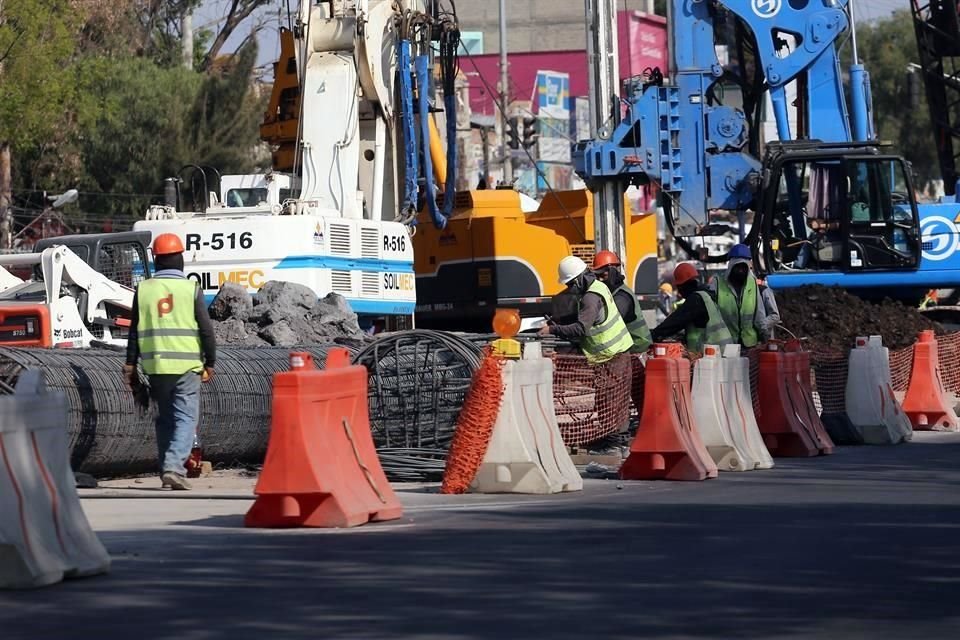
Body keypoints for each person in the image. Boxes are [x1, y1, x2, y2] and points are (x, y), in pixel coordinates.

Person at [124, 233, 217, 490]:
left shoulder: (143, 290)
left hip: (155, 368)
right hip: (187, 367)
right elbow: (206, 330)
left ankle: (167, 469)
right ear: (180, 259)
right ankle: (174, 468)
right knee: (186, 418)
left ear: (157, 260)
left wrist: (131, 365)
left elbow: (134, 331)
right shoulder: (191, 289)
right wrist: (210, 362)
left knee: (164, 419)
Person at [538, 255, 633, 364]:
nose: (569, 289)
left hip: (611, 358)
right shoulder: (599, 286)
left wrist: (551, 329)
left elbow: (580, 329)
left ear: (578, 280)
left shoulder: (590, 298)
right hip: (618, 352)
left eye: (570, 284)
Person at [651, 262, 732, 353]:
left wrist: (653, 335)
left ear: (682, 286)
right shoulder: (707, 294)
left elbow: (675, 321)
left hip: (712, 353)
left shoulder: (696, 299)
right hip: (721, 349)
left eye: (679, 287)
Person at [711, 243, 779, 347]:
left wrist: (764, 336)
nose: (740, 270)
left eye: (743, 267)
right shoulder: (717, 283)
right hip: (726, 343)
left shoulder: (752, 284)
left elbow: (759, 314)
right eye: (737, 267)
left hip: (749, 343)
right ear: (730, 266)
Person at [591, 250, 652, 352]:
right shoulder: (613, 292)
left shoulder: (622, 297)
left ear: (613, 272)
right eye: (597, 277)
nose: (600, 280)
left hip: (637, 348)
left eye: (603, 275)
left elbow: (608, 324)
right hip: (630, 347)